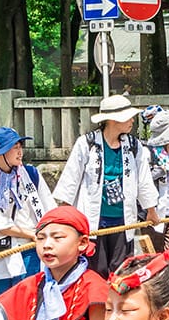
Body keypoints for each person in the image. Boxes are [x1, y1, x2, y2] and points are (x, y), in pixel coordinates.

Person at [55, 94, 161, 276]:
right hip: (93, 220)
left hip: (123, 220)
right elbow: (70, 180)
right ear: (113, 120)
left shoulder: (134, 146)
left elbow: (143, 179)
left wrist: (151, 210)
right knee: (95, 271)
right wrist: (66, 218)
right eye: (128, 117)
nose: (132, 121)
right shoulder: (87, 143)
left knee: (121, 271)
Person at [0, 126, 48, 297]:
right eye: (14, 147)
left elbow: (49, 208)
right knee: (4, 302)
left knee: (29, 302)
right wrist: (31, 233)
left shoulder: (31, 174)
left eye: (20, 146)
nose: (20, 152)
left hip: (29, 248)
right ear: (0, 153)